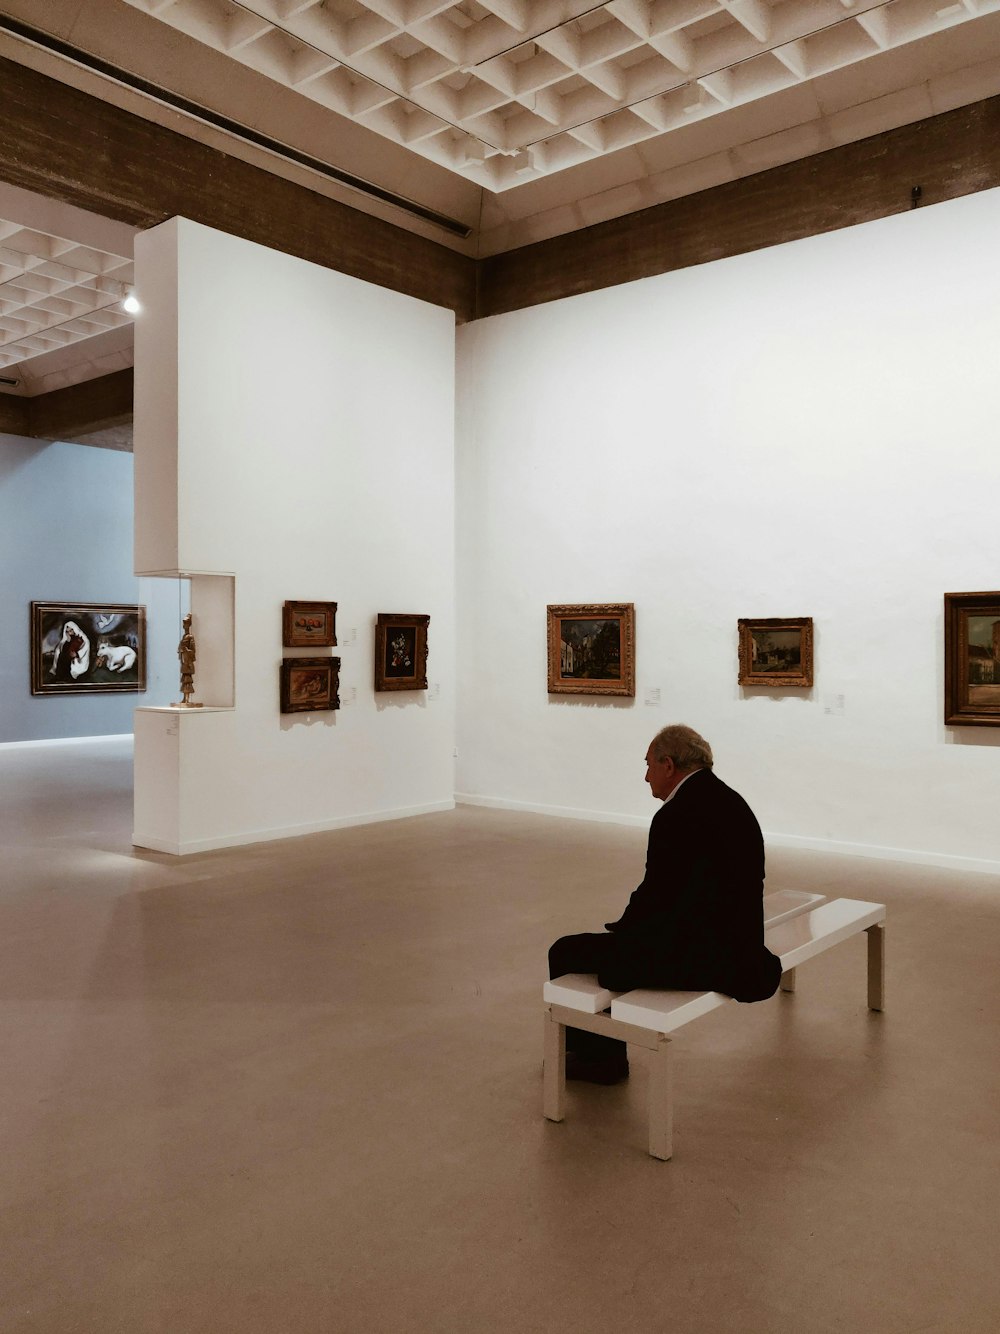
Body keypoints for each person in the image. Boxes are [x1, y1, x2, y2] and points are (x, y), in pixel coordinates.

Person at [548, 724, 782, 1084]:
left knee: (565, 951)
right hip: (741, 946)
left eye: (648, 765)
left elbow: (655, 897)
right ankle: (596, 1055)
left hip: (706, 957)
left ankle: (601, 1062)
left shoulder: (676, 816)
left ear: (668, 765)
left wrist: (623, 933)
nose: (646, 777)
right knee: (603, 947)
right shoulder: (730, 799)